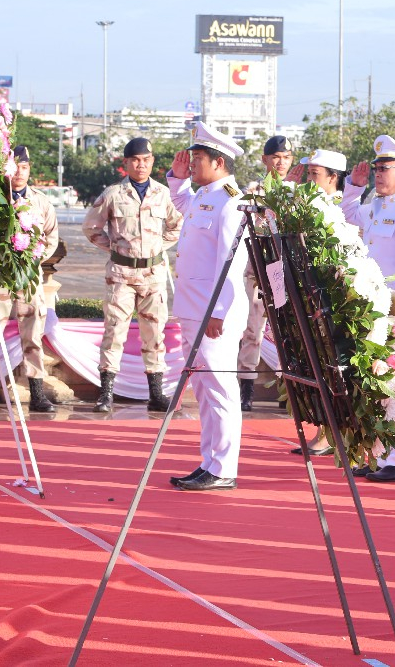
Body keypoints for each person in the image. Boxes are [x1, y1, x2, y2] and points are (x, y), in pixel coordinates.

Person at [166, 122, 249, 491]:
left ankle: (223, 467)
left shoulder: (231, 201)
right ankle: (209, 462)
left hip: (212, 313)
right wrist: (176, 179)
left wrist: (218, 312)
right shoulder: (204, 195)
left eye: (197, 158)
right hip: (193, 308)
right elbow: (182, 204)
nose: (191, 163)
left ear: (218, 162)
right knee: (203, 390)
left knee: (219, 389)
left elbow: (230, 264)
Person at [340, 136, 395, 483]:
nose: (377, 173)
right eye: (375, 168)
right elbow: (348, 216)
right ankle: (378, 453)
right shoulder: (378, 205)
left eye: (384, 168)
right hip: (373, 308)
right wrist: (354, 187)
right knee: (375, 383)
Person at [83, 137, 183, 413]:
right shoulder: (113, 194)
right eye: (136, 160)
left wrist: (156, 248)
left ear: (152, 162)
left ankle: (156, 393)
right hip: (121, 274)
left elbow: (177, 225)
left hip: (153, 275)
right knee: (114, 331)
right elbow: (91, 228)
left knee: (155, 333)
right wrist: (117, 248)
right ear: (126, 163)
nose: (141, 165)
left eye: (146, 160)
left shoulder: (163, 194)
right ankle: (106, 393)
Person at [0, 146, 59, 414]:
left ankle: (37, 393)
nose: (20, 173)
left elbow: (51, 237)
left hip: (28, 277)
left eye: (24, 167)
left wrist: (33, 258)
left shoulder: (41, 201)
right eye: (15, 168)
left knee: (33, 334)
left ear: (30, 169)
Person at [288, 148, 348, 456]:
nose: (308, 180)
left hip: (331, 297)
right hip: (311, 293)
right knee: (317, 364)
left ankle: (333, 432)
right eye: (308, 173)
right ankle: (325, 428)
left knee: (331, 363)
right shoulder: (310, 204)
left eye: (315, 174)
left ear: (333, 178)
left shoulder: (340, 208)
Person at [237, 135, 294, 412]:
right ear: (265, 160)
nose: (281, 162)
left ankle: (288, 390)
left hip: (284, 270)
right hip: (257, 269)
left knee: (288, 331)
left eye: (286, 157)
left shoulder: (297, 192)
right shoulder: (252, 192)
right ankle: (246, 388)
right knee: (253, 331)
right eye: (275, 157)